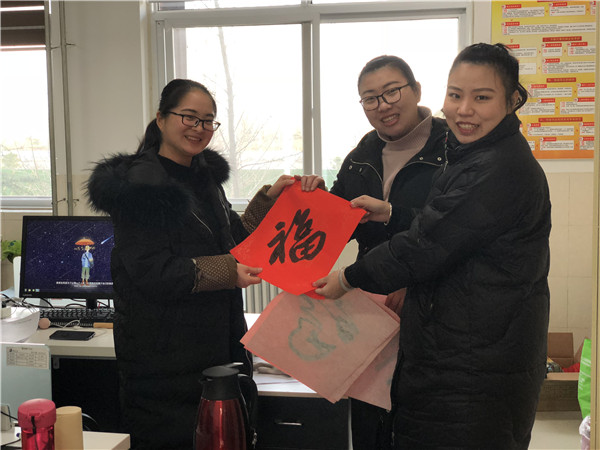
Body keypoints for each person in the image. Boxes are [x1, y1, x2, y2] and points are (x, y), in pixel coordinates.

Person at [315, 43, 551, 449]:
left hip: (472, 360)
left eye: (482, 97)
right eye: (456, 95)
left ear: (512, 100)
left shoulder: (488, 163)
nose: (464, 109)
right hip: (432, 338)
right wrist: (386, 213)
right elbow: (440, 226)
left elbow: (430, 241)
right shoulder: (463, 152)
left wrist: (349, 278)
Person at [86, 78, 323, 449]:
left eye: (208, 120)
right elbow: (151, 270)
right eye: (189, 117)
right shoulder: (139, 184)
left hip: (216, 346)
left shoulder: (203, 176)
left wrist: (270, 198)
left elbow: (235, 239)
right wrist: (228, 272)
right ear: (161, 118)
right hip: (164, 362)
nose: (199, 128)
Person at [327, 55, 447, 450]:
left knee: (422, 423)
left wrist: (414, 284)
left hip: (433, 311)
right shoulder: (361, 155)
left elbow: (456, 231)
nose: (383, 105)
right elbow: (336, 224)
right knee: (369, 418)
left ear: (417, 90)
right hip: (370, 309)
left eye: (392, 91)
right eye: (370, 98)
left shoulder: (453, 149)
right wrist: (308, 196)